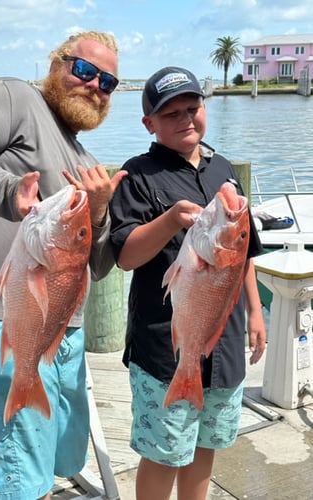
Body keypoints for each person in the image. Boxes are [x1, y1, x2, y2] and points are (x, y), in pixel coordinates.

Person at [0, 31, 126, 500]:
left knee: (48, 469)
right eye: (83, 69)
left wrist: (99, 212)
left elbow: (99, 266)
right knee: (12, 483)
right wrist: (8, 191)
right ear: (55, 63)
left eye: (108, 82)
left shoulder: (87, 162)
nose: (94, 85)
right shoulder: (15, 98)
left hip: (60, 336)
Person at [109, 66, 266, 500]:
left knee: (205, 447)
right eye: (170, 113)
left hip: (225, 340)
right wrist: (168, 220)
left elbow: (242, 253)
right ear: (150, 124)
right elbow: (125, 256)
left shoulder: (225, 169)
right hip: (165, 349)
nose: (185, 119)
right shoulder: (137, 175)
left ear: (204, 109)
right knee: (164, 451)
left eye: (193, 108)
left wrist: (255, 311)